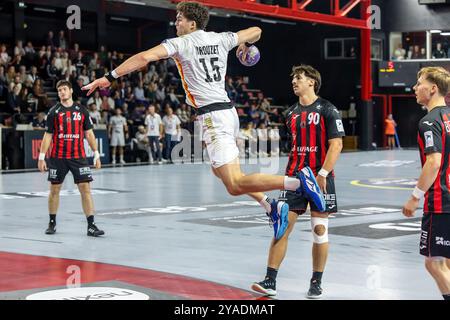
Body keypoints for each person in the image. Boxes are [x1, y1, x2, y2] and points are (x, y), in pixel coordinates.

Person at [82, 1, 325, 240]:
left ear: (192, 23)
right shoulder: (221, 38)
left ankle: (298, 183)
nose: (175, 22)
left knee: (234, 184)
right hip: (228, 113)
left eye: (179, 18)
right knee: (219, 171)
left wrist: (109, 76)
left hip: (213, 117)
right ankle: (271, 206)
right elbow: (256, 31)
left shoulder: (181, 43)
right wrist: (244, 44)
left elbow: (145, 57)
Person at [252, 65, 345, 299]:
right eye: (293, 77)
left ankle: (316, 282)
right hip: (294, 177)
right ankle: (270, 280)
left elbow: (337, 145)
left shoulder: (328, 109)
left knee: (319, 231)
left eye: (299, 77)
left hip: (320, 178)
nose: (294, 81)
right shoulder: (290, 113)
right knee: (281, 226)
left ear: (312, 81)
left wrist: (323, 173)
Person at [402, 67, 450, 301]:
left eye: (419, 83)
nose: (414, 87)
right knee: (446, 263)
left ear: (433, 89)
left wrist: (414, 196)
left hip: (441, 203)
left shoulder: (429, 121)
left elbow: (433, 162)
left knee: (433, 263)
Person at [37, 80, 104, 237]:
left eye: (64, 89)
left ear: (71, 91)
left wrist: (96, 154)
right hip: (58, 157)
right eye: (59, 90)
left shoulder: (81, 110)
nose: (61, 92)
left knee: (85, 190)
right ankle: (52, 223)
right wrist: (41, 157)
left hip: (78, 157)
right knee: (54, 190)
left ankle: (91, 225)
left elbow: (89, 134)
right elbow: (48, 136)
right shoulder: (53, 112)